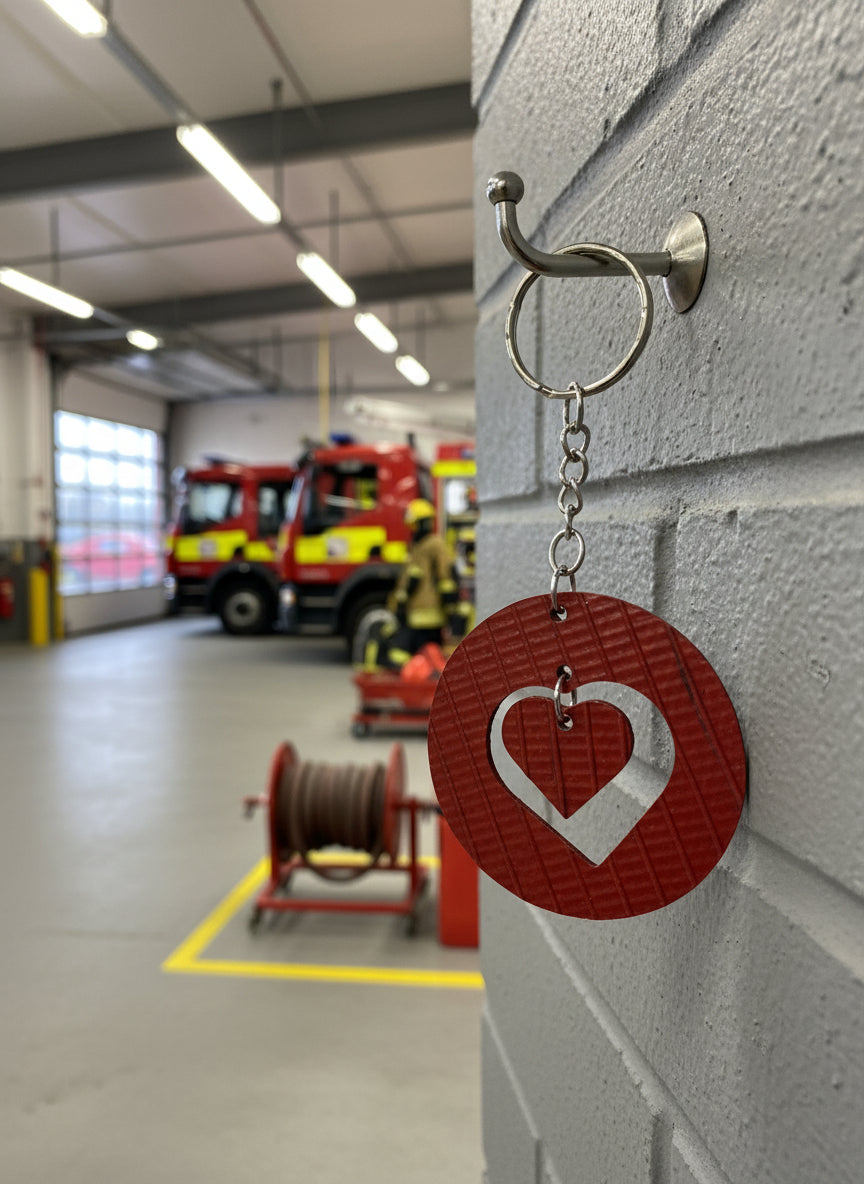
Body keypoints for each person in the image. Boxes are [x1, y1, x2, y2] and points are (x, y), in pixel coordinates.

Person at [368, 499, 468, 671]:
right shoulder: (416, 547)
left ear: (424, 523)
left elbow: (445, 578)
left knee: (428, 658)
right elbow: (407, 580)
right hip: (412, 613)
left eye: (415, 525)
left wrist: (452, 608)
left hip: (430, 615)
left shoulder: (435, 545)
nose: (413, 530)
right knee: (412, 659)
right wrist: (399, 603)